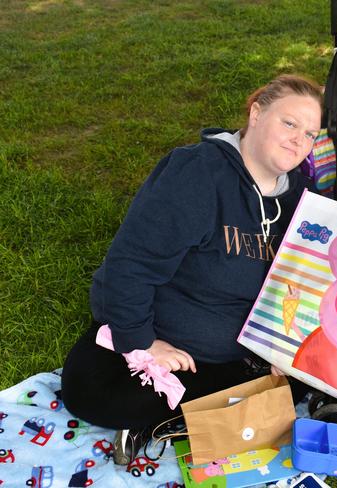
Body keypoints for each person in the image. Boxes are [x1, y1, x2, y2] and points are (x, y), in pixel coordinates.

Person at [61, 74, 323, 464]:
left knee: (304, 374)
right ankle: (206, 410)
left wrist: (281, 346)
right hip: (167, 333)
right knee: (89, 391)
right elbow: (130, 265)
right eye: (289, 123)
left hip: (242, 353)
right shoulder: (196, 174)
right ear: (256, 113)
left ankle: (169, 421)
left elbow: (301, 283)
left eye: (311, 133)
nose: (298, 139)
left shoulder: (303, 199)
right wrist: (143, 343)